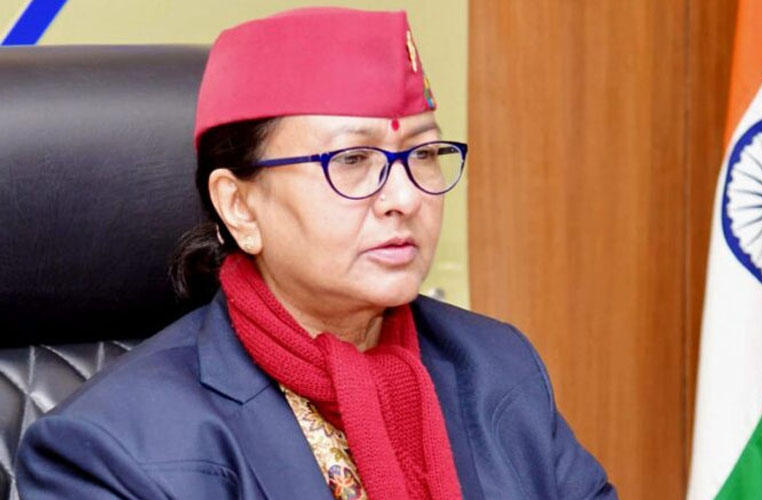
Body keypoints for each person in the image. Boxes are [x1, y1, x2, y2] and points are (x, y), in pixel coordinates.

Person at [15, 7, 617, 500]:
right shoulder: (113, 449)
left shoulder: (496, 367)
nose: (405, 197)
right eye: (352, 161)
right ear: (239, 207)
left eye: (423, 154)